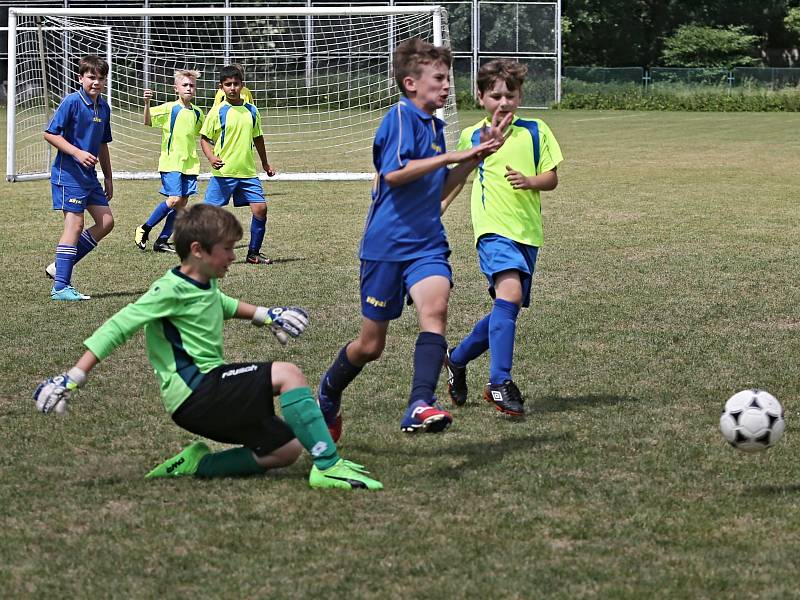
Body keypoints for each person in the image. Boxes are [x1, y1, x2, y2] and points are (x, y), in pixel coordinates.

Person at [33, 204, 382, 490]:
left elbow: (221, 304)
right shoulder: (167, 290)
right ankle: (328, 465)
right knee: (288, 373)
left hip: (204, 396)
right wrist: (74, 376)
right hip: (196, 391)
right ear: (198, 251)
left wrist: (267, 315)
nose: (233, 256)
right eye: (227, 249)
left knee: (285, 450)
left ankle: (201, 463)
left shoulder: (202, 282)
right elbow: (119, 326)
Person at [316, 38, 509, 440]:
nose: (445, 86)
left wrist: (477, 155)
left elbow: (440, 187)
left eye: (447, 78)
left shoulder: (436, 128)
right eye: (438, 78)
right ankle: (329, 391)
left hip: (427, 243)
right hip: (385, 247)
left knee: (435, 310)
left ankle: (419, 403)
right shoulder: (400, 119)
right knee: (370, 346)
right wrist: (451, 157)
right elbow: (394, 174)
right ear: (410, 83)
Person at [441, 59, 563, 417]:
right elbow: (458, 179)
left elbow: (551, 178)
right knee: (508, 296)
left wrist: (530, 181)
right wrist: (435, 213)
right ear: (480, 97)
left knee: (505, 307)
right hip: (492, 231)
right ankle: (499, 382)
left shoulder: (536, 130)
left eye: (511, 94)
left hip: (528, 233)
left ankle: (457, 359)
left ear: (520, 95)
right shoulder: (472, 137)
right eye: (495, 95)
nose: (504, 102)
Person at [43, 55, 114, 301]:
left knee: (106, 223)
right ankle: (61, 287)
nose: (96, 82)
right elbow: (50, 134)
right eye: (91, 77)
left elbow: (103, 144)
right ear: (80, 77)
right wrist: (76, 152)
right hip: (68, 174)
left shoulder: (104, 107)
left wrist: (108, 177)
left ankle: (58, 268)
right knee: (75, 225)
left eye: (101, 78)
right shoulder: (71, 102)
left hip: (90, 178)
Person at [201, 65, 275, 265]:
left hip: (247, 172)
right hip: (224, 172)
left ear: (242, 85)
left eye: (236, 84)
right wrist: (211, 158)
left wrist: (266, 164)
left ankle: (253, 253)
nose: (232, 88)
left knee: (260, 209)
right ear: (221, 87)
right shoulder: (217, 111)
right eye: (228, 85)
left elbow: (258, 137)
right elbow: (204, 139)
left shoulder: (252, 110)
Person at [134, 70, 204, 253]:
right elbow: (147, 122)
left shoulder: (197, 113)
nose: (189, 88)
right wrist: (147, 103)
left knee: (181, 205)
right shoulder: (170, 108)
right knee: (173, 200)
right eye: (185, 85)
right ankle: (144, 228)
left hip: (190, 164)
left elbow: (204, 135)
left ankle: (162, 241)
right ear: (176, 89)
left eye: (192, 85)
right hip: (171, 162)